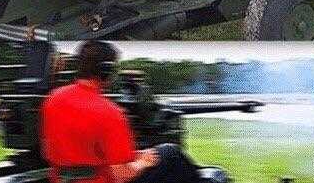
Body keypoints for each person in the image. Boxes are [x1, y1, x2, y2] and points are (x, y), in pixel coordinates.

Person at [41, 40, 201, 183]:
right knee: (171, 153)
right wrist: (143, 162)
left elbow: (62, 149)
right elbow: (122, 175)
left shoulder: (53, 98)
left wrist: (134, 156)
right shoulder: (111, 113)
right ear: (106, 70)